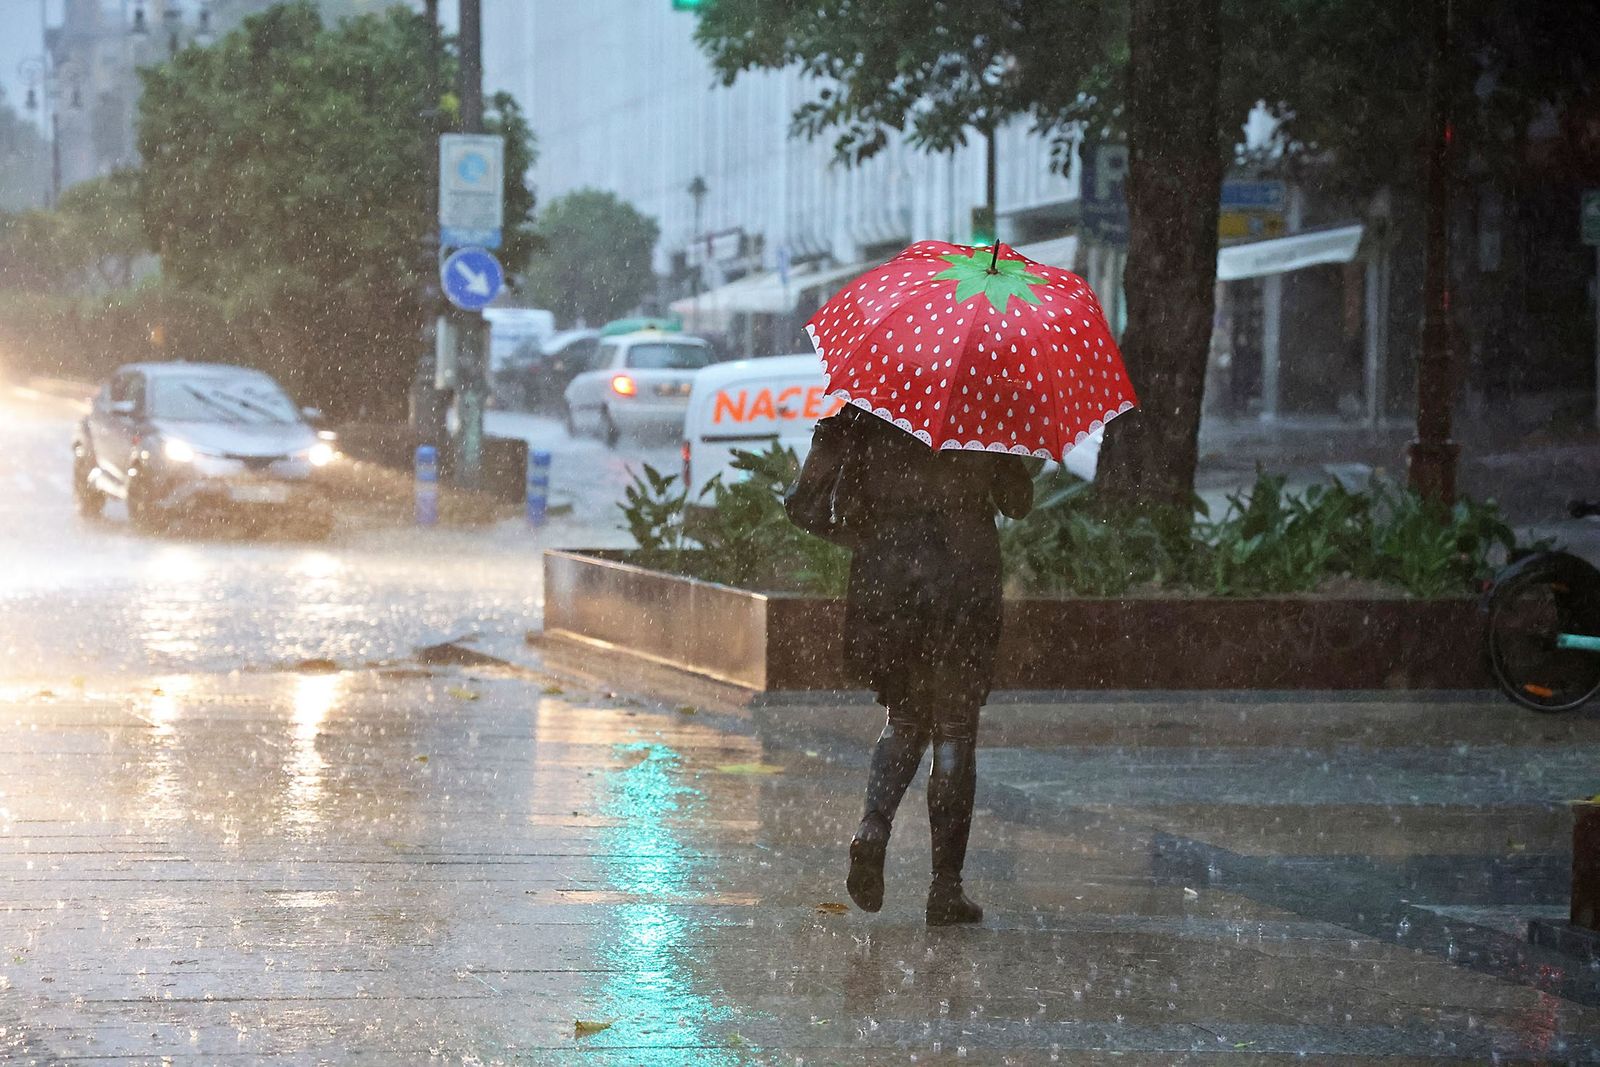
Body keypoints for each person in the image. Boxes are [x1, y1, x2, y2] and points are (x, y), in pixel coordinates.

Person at [818, 403, 1033, 925]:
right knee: (955, 728)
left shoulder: (868, 406)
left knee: (905, 716)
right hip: (964, 576)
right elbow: (1018, 502)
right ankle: (945, 888)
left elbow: (809, 505)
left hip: (888, 578)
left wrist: (875, 532)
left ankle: (873, 827)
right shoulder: (985, 407)